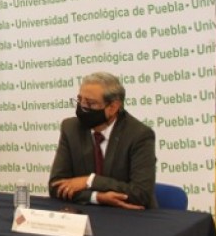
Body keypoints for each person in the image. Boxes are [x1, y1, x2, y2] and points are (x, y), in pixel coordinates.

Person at [49, 72, 156, 209]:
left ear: (113, 107)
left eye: (90, 103)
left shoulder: (139, 135)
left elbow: (141, 194)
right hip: (87, 211)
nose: (82, 107)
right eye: (80, 100)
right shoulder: (71, 128)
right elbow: (56, 186)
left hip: (129, 215)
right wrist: (97, 197)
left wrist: (90, 181)